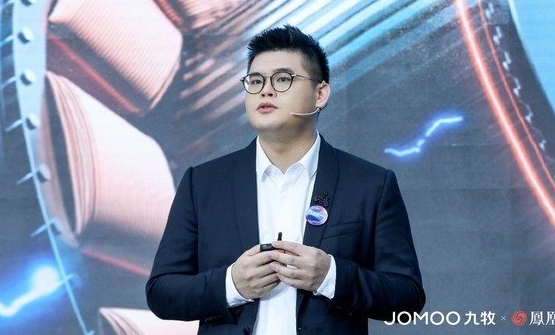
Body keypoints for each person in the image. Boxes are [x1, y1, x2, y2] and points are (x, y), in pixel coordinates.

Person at [146, 25, 425, 334]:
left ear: (320, 93)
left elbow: (407, 297)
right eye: (255, 81)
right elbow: (161, 293)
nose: (265, 90)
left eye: (283, 79)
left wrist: (330, 277)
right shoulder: (203, 183)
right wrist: (232, 285)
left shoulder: (370, 184)